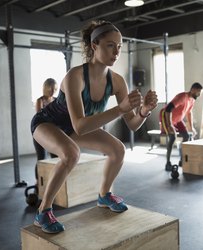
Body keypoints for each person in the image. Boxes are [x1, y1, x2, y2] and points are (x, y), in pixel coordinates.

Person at [30, 20, 158, 234]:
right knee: (71, 153)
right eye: (110, 45)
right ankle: (43, 211)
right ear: (94, 45)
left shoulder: (117, 82)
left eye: (119, 46)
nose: (116, 51)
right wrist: (120, 109)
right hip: (47, 123)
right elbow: (80, 126)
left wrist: (144, 110)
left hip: (72, 126)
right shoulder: (75, 76)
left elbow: (133, 125)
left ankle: (104, 195)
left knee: (118, 150)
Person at [159, 82, 203, 171]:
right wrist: (170, 125)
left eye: (200, 93)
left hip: (178, 119)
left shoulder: (192, 100)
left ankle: (181, 160)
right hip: (166, 116)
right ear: (193, 90)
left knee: (186, 136)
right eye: (198, 92)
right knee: (172, 137)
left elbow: (189, 113)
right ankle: (168, 163)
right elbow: (168, 109)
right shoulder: (182, 97)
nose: (199, 95)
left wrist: (191, 127)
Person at [33, 78, 57, 184]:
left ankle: (53, 180)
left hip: (53, 133)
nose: (52, 91)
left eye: (54, 89)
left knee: (55, 158)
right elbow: (39, 117)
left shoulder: (56, 100)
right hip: (41, 133)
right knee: (41, 158)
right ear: (46, 88)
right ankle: (38, 181)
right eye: (50, 89)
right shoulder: (40, 100)